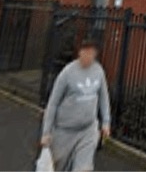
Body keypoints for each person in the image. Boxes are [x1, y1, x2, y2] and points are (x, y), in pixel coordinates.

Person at [40, 39, 111, 172]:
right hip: (64, 131)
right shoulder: (68, 73)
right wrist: (46, 132)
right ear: (80, 52)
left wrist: (106, 122)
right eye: (86, 52)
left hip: (88, 130)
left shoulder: (98, 71)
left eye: (91, 52)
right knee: (59, 166)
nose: (88, 56)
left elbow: (104, 98)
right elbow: (53, 103)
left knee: (84, 168)